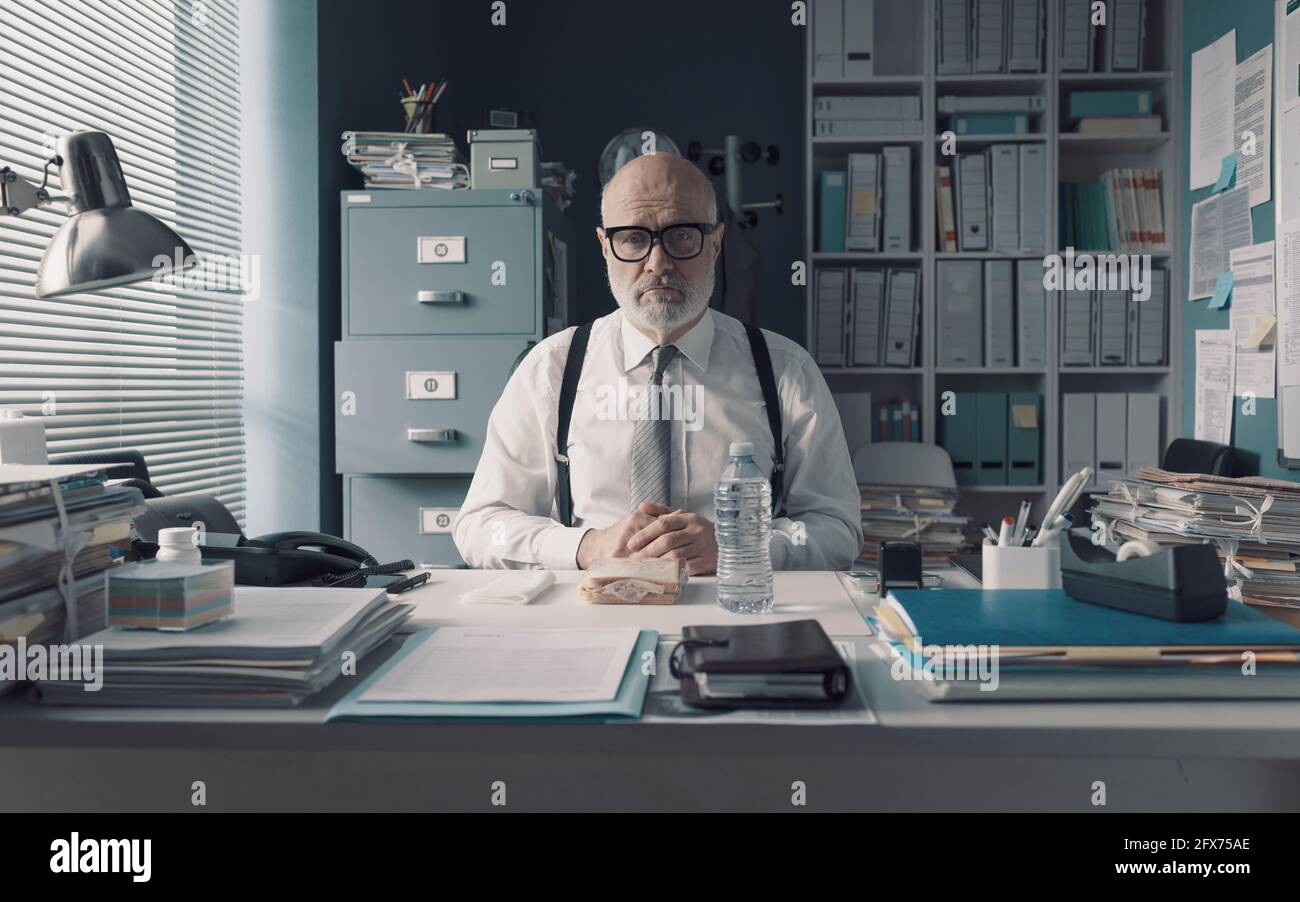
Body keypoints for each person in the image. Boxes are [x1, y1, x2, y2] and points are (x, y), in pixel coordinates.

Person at [453, 152, 861, 573]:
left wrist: (739, 547)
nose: (658, 263)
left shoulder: (787, 371)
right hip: (593, 619)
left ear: (716, 244)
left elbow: (838, 530)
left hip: (738, 615)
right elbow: (481, 525)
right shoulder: (549, 371)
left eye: (681, 236)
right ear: (605, 247)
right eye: (632, 238)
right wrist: (586, 547)